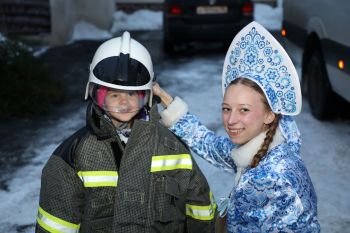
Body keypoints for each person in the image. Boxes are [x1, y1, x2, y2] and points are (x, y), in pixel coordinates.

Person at [35, 31, 216, 233]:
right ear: (97, 94)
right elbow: (55, 226)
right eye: (114, 94)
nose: (124, 102)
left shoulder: (172, 149)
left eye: (132, 93)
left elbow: (201, 212)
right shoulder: (74, 155)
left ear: (146, 95)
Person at [153, 22, 320, 232]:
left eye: (244, 110)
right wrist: (164, 98)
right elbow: (210, 144)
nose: (231, 120)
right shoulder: (268, 150)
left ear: (270, 114)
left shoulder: (269, 179)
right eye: (226, 108)